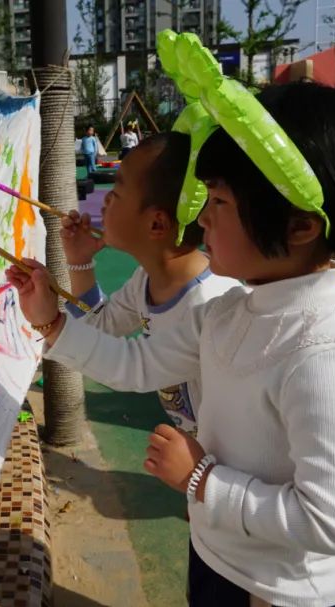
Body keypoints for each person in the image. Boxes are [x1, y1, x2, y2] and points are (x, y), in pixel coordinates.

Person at [7, 81, 335, 606]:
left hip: (288, 593)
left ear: (298, 227)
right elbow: (136, 365)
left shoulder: (325, 355)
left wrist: (202, 478)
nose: (203, 216)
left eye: (221, 202)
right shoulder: (229, 312)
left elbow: (332, 524)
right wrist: (52, 324)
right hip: (219, 557)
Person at [59, 132, 239, 437]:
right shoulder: (145, 280)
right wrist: (80, 262)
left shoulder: (214, 306)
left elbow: (130, 368)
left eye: (115, 193)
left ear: (156, 224)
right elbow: (99, 328)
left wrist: (49, 324)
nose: (104, 202)